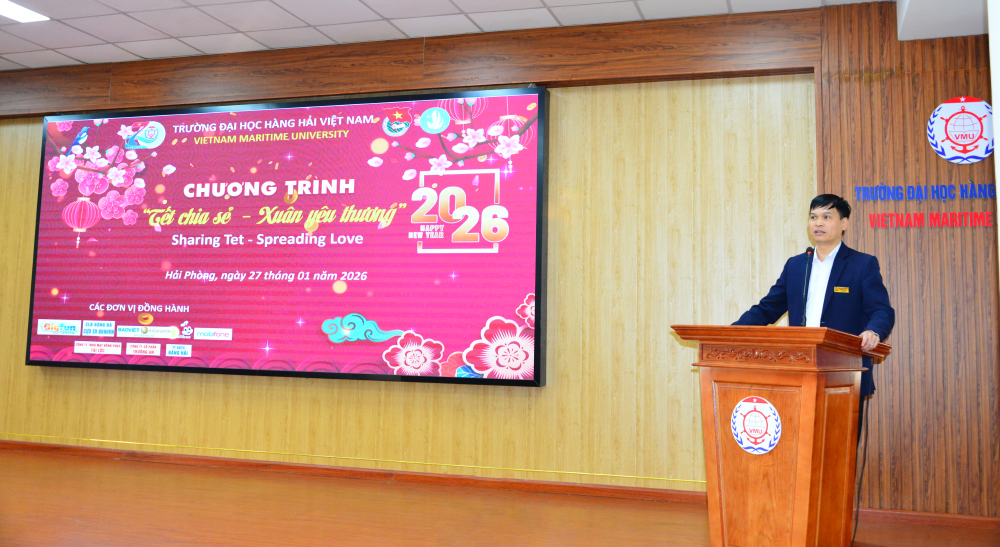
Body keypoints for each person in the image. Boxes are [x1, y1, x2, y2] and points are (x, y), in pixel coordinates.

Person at [733, 194, 894, 435]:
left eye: (826, 217)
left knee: (839, 445)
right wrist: (731, 332)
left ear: (844, 223)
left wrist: (873, 331)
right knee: (798, 443)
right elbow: (767, 308)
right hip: (799, 371)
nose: (818, 223)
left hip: (844, 374)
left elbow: (881, 310)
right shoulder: (797, 265)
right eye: (813, 217)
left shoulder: (862, 264)